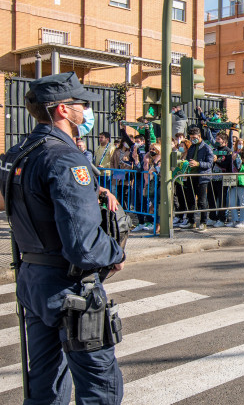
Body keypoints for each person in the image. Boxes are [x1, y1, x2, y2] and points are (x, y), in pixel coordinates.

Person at [0, 72, 125, 404]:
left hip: (32, 279)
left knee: (45, 381)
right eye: (81, 104)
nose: (85, 110)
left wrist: (88, 191)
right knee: (100, 384)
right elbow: (83, 246)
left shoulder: (18, 152)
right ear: (62, 110)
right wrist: (115, 253)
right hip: (70, 286)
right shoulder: (66, 157)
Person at [178, 126, 214, 232]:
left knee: (202, 201)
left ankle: (203, 222)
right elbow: (189, 159)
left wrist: (198, 163)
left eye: (194, 137)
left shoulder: (207, 148)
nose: (192, 139)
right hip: (191, 176)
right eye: (191, 137)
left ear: (199, 136)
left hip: (202, 177)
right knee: (190, 200)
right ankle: (191, 221)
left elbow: (210, 163)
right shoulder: (192, 147)